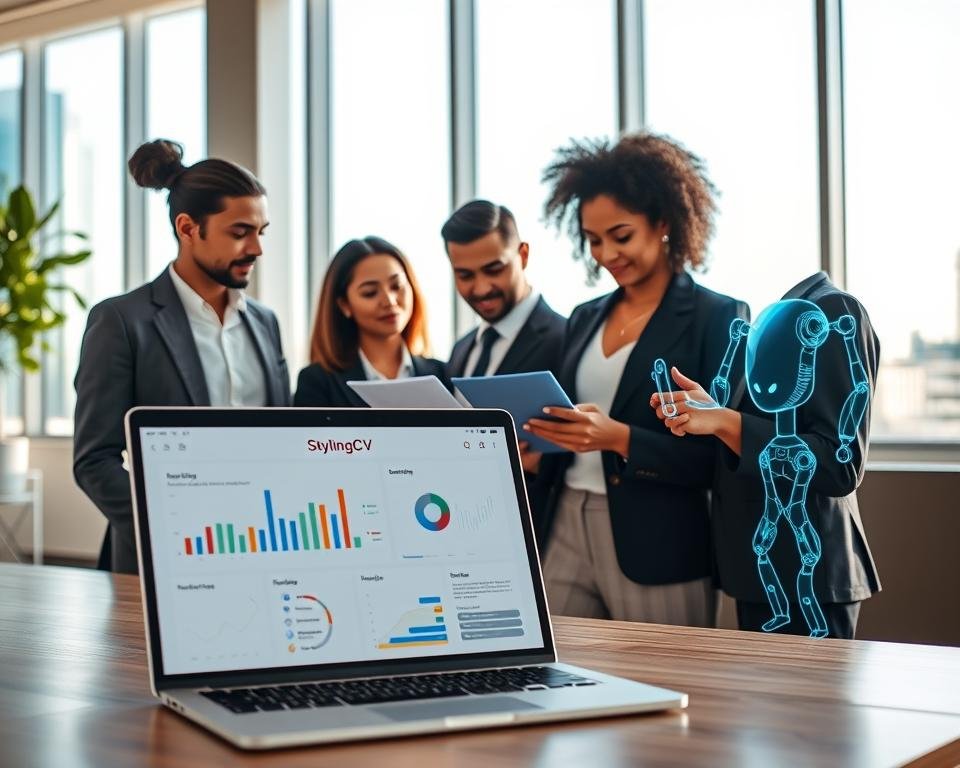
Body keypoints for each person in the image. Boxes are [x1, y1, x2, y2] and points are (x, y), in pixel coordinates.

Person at [525, 132, 748, 626]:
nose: (606, 254)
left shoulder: (718, 317)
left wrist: (619, 438)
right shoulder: (585, 318)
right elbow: (574, 422)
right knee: (556, 669)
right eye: (594, 240)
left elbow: (717, 456)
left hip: (658, 539)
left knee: (671, 684)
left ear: (663, 222)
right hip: (566, 520)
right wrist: (544, 447)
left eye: (621, 236)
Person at [74, 139, 291, 574]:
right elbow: (94, 460)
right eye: (239, 232)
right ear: (188, 228)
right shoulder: (121, 321)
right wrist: (170, 526)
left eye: (261, 232)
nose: (256, 249)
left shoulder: (264, 323)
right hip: (161, 560)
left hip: (264, 552)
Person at [651, 271, 881, 638]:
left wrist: (725, 421)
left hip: (811, 582)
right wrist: (714, 414)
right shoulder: (772, 319)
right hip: (763, 575)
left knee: (806, 697)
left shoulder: (831, 308)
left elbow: (841, 464)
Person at [293, 236, 445, 406]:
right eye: (370, 293)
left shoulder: (443, 374)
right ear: (344, 305)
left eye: (396, 286)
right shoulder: (318, 382)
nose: (389, 301)